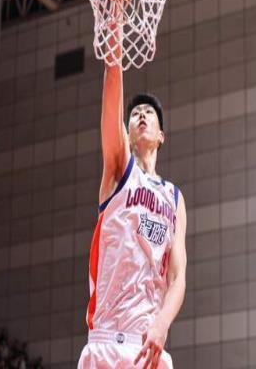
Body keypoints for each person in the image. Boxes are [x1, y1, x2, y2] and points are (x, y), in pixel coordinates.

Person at [78, 22, 187, 368]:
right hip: (108, 343)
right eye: (135, 113)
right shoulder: (118, 170)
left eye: (148, 113)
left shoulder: (174, 198)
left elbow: (177, 277)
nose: (141, 115)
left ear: (161, 136)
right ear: (126, 133)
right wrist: (114, 28)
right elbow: (112, 91)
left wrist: (162, 324)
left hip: (149, 347)